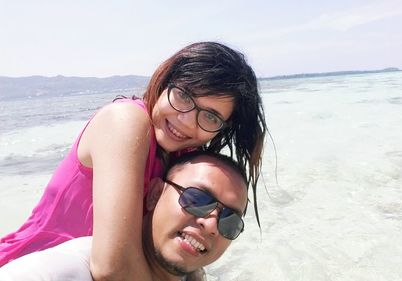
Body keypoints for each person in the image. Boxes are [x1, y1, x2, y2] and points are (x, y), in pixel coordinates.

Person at [0, 42, 267, 281]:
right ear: (164, 83)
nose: (186, 120)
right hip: (34, 266)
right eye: (184, 96)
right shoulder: (125, 121)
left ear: (222, 128)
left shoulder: (182, 157)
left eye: (210, 117)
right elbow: (112, 267)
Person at [0, 151, 249, 281]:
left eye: (230, 220)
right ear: (153, 194)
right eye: (197, 199)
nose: (212, 224)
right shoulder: (66, 269)